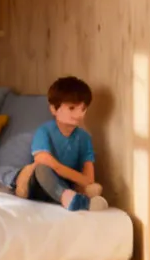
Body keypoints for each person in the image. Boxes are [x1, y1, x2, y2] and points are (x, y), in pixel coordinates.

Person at [15, 75, 107, 212]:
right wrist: (80, 179)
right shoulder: (44, 131)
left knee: (84, 187)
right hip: (39, 185)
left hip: (64, 184)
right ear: (53, 109)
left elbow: (89, 178)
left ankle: (74, 199)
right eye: (71, 108)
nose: (79, 114)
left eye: (83, 109)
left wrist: (86, 184)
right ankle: (68, 198)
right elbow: (48, 163)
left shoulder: (84, 138)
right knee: (42, 168)